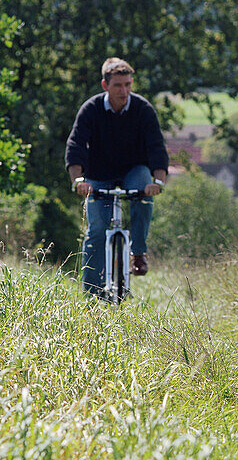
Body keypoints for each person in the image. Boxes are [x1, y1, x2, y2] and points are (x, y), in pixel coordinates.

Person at [65, 57, 169, 297]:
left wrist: (158, 181)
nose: (124, 91)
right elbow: (76, 145)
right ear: (105, 85)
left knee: (143, 193)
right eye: (118, 86)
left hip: (134, 170)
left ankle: (138, 253)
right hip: (99, 175)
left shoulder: (143, 109)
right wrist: (78, 180)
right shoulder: (90, 110)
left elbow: (156, 147)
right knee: (96, 232)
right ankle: (91, 297)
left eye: (128, 85)